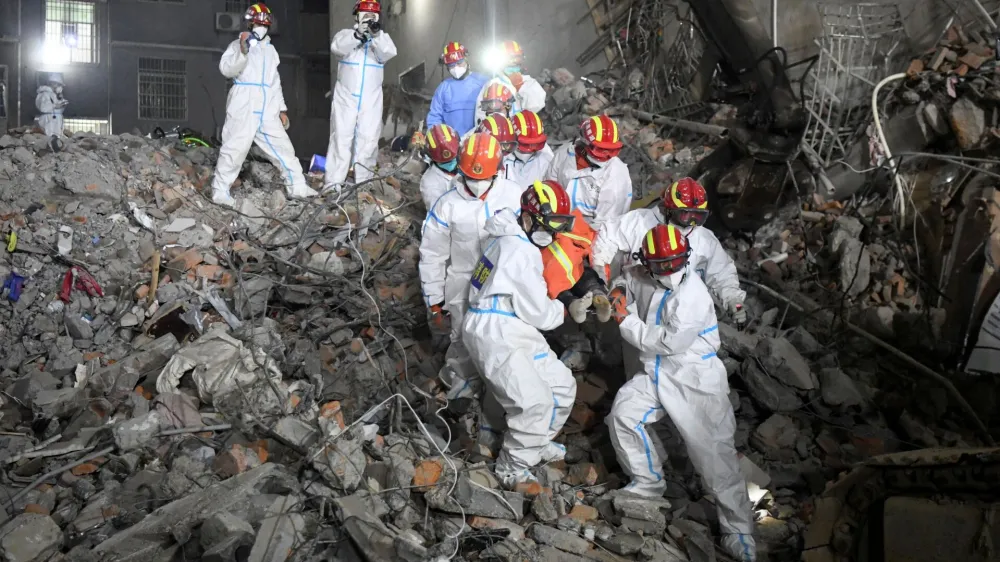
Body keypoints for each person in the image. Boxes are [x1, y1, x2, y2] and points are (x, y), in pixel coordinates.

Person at [605, 223, 756, 562]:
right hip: (658, 372)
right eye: (661, 265)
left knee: (715, 458)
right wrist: (617, 291)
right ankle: (647, 482)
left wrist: (623, 320)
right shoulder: (646, 272)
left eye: (675, 262)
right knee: (624, 415)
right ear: (649, 262)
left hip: (694, 379)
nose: (669, 270)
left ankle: (739, 532)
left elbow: (668, 342)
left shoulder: (692, 295)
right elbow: (627, 279)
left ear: (685, 258)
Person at [463, 180, 578, 488]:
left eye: (557, 227)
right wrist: (566, 309)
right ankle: (512, 467)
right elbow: (539, 313)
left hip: (511, 323)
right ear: (527, 216)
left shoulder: (509, 236)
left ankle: (535, 443)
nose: (550, 234)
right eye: (546, 225)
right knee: (534, 403)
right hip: (495, 331)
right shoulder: (518, 250)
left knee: (562, 387)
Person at [419, 132, 523, 402]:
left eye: (484, 177)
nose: (477, 183)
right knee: (462, 340)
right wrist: (434, 301)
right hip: (462, 284)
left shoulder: (514, 196)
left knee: (503, 342)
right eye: (472, 177)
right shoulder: (447, 205)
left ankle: (497, 395)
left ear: (498, 171)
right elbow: (432, 255)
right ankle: (460, 390)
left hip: (503, 283)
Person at [591, 177, 747, 326]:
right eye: (685, 213)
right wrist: (599, 276)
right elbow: (606, 238)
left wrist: (734, 301)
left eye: (698, 215)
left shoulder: (704, 239)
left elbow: (721, 273)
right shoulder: (639, 222)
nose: (692, 221)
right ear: (669, 209)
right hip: (633, 304)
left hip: (675, 315)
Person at [211, 3, 317, 206]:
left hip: (268, 104)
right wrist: (242, 52)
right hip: (244, 101)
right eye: (257, 24)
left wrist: (282, 109)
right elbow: (226, 69)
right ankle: (220, 191)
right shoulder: (236, 46)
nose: (260, 28)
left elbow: (274, 82)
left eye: (264, 24)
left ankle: (298, 186)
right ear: (249, 24)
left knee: (283, 147)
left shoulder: (271, 51)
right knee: (235, 147)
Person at [324, 0, 397, 193]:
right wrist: (358, 35)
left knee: (369, 139)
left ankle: (363, 184)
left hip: (370, 99)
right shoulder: (346, 36)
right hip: (345, 98)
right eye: (364, 14)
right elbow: (337, 47)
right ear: (357, 16)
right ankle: (333, 184)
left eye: (372, 15)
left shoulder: (381, 40)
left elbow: (389, 52)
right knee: (341, 137)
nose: (368, 18)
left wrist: (375, 35)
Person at [545, 115, 632, 231]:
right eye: (600, 148)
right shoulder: (565, 154)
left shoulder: (617, 175)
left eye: (610, 149)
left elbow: (606, 225)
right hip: (554, 217)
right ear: (584, 142)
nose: (606, 154)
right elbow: (548, 186)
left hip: (588, 230)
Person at [427, 42, 489, 137]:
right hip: (452, 145)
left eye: (459, 63)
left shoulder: (483, 83)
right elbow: (434, 118)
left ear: (466, 59)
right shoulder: (443, 88)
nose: (456, 68)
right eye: (451, 65)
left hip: (479, 142)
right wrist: (438, 139)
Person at [478, 40, 546, 115]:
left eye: (517, 58)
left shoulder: (528, 81)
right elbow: (485, 116)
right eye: (509, 59)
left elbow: (537, 105)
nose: (513, 62)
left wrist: (520, 86)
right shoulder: (492, 85)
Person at [419, 123, 460, 211]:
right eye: (447, 161)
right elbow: (440, 213)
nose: (453, 162)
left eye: (453, 158)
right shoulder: (429, 184)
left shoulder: (465, 159)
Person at [508, 110, 554, 187]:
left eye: (535, 144)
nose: (530, 148)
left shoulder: (547, 158)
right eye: (525, 144)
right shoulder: (501, 156)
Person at [475, 113, 516, 179]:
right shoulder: (472, 161)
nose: (501, 150)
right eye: (495, 145)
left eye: (505, 146)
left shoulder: (512, 164)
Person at [35, 74, 67, 147]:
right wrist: (55, 106)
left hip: (56, 119)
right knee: (48, 139)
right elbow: (43, 107)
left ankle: (55, 153)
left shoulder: (55, 95)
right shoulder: (44, 94)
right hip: (48, 120)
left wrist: (61, 100)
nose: (60, 87)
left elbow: (59, 107)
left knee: (57, 139)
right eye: (59, 85)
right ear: (53, 84)